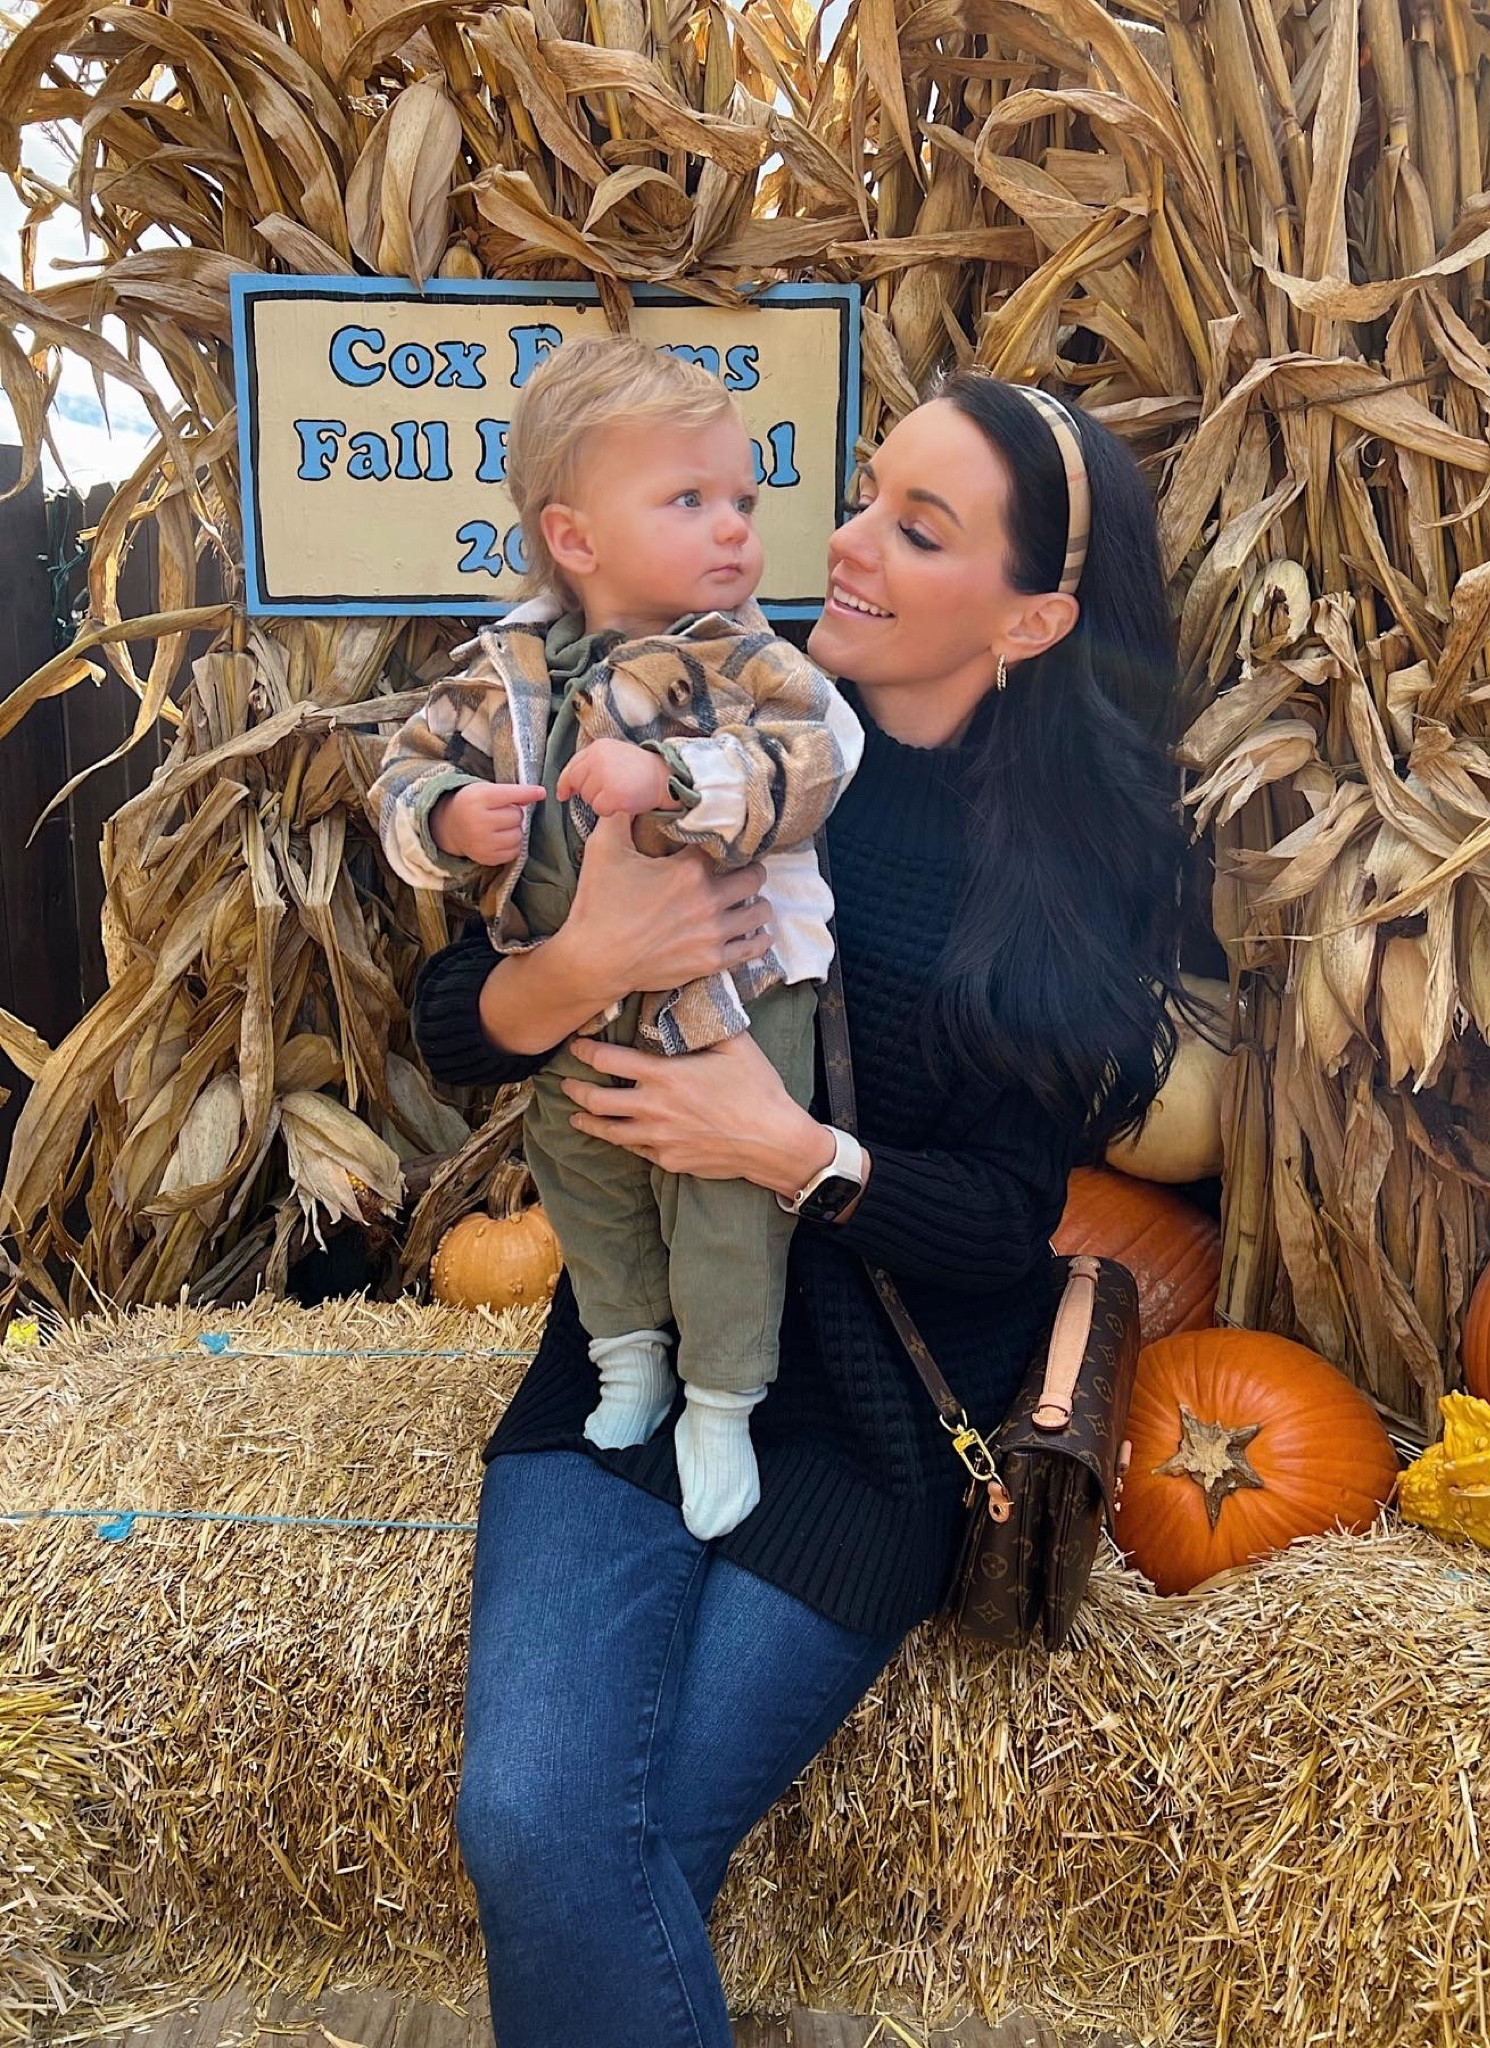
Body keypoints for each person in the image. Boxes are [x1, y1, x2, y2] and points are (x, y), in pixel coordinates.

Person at [409, 371, 1191, 2048]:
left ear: (1036, 615)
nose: (839, 544)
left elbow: (1002, 1225)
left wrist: (786, 1147)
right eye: (858, 496)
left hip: (870, 1431)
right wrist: (579, 966)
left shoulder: (1060, 870)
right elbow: (449, 1018)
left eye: (917, 528)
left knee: (620, 1850)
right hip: (625, 1372)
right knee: (535, 1823)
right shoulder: (689, 712)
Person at [372, 336, 863, 1540]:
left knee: (723, 1205)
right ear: (576, 539)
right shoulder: (504, 671)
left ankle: (722, 1396)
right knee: (589, 1182)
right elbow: (402, 774)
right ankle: (627, 1354)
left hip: (732, 1001)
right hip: (577, 1003)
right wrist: (447, 814)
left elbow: (817, 761)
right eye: (689, 500)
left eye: (743, 499)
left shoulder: (748, 660)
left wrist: (678, 773)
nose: (734, 528)